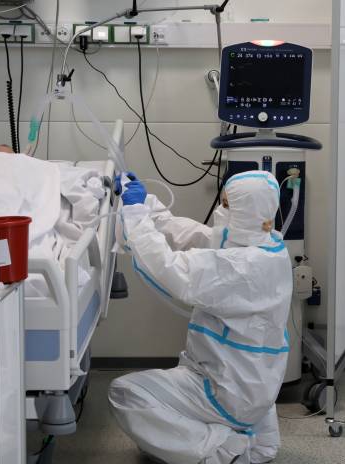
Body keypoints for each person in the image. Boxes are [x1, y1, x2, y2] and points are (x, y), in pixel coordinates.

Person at [109, 171, 293, 464]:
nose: (220, 210)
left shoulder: (240, 267)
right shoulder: (270, 247)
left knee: (124, 393)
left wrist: (135, 216)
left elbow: (168, 267)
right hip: (259, 387)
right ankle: (257, 439)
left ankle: (224, 450)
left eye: (227, 205)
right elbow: (192, 234)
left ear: (245, 213)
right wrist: (147, 204)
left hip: (226, 389)